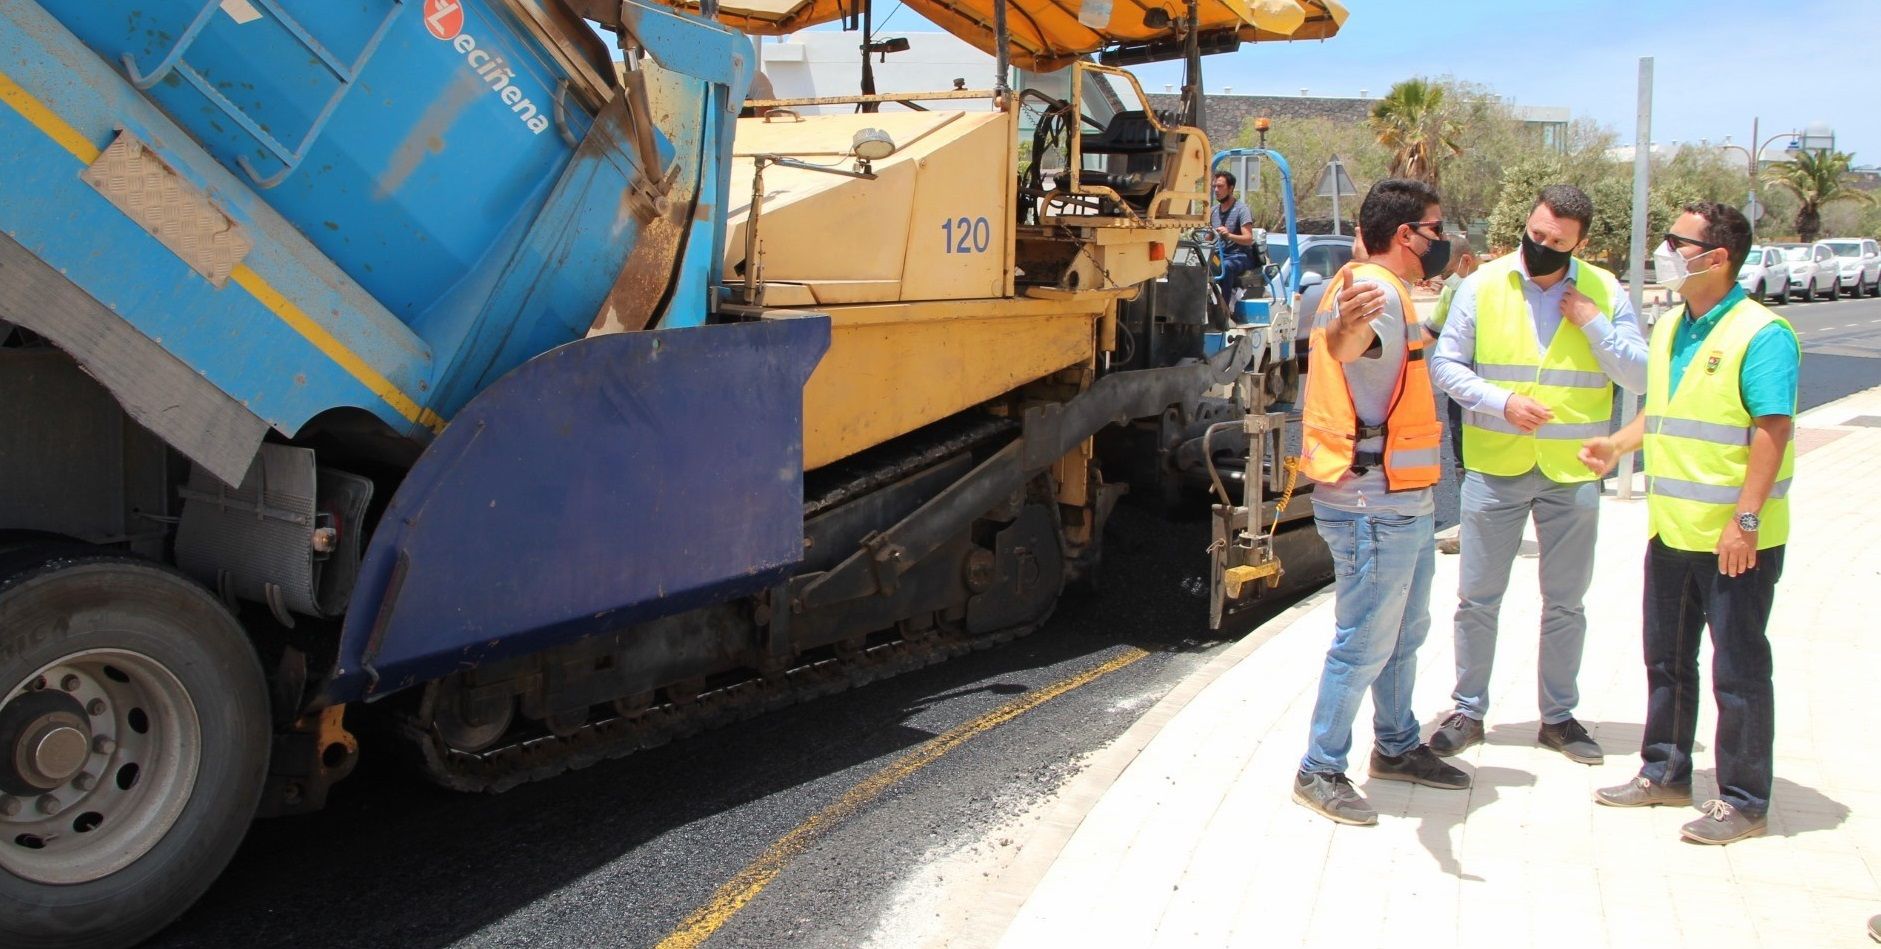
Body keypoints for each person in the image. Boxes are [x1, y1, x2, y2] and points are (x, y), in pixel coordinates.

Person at [1580, 201, 1798, 845]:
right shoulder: (1674, 324)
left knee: (1738, 669)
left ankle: (1744, 800)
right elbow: (1666, 413)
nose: (1666, 249)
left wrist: (1747, 521)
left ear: (1717, 257)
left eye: (1679, 241)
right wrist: (1619, 445)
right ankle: (1665, 773)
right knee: (1667, 661)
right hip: (1673, 530)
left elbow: (1772, 430)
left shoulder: (1763, 333)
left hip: (1736, 539)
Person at [1425, 185, 1648, 765]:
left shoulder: (1603, 289)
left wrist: (1594, 323)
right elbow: (1446, 363)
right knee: (1477, 598)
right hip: (1496, 468)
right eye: (1536, 234)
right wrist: (1501, 402)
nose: (1540, 247)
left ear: (1581, 243)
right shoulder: (1483, 283)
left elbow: (1640, 377)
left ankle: (1559, 718)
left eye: (1556, 242)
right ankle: (1468, 710)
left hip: (1573, 473)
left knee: (1566, 601)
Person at [1290, 178, 1469, 826]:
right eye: (1434, 227)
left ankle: (1394, 746)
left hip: (1402, 503)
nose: (1440, 239)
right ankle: (1319, 765)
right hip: (1371, 505)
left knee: (1403, 632)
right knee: (1363, 639)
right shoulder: (1369, 296)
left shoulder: (1383, 291)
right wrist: (1341, 328)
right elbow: (1345, 342)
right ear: (1406, 235)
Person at [1209, 172, 1259, 323]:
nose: (1216, 190)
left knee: (1226, 267)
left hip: (1240, 256)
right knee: (1199, 266)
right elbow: (1208, 238)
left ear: (1230, 188)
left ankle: (1223, 313)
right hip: (1219, 255)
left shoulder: (1241, 210)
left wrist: (1229, 235)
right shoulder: (1213, 211)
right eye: (1214, 187)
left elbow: (1248, 239)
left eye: (1220, 186)